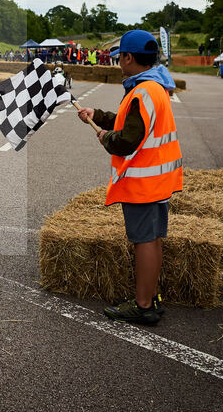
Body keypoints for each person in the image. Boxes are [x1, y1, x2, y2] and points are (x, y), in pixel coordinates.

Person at [76, 30, 181, 325]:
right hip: (159, 180)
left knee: (144, 241)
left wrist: (105, 137)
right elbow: (130, 121)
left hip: (143, 181)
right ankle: (150, 296)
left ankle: (143, 304)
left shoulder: (141, 92)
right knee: (154, 239)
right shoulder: (154, 86)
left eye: (120, 56)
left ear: (129, 58)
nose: (118, 62)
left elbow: (127, 139)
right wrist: (96, 113)